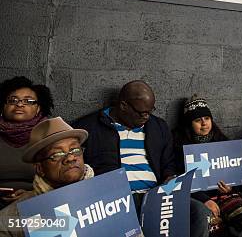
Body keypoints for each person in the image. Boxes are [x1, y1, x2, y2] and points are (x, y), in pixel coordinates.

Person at [73, 80, 209, 237]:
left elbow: (168, 164)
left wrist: (169, 178)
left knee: (198, 211)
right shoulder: (88, 128)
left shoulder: (158, 127)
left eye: (150, 111)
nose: (147, 117)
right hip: (115, 203)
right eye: (142, 112)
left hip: (154, 197)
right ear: (123, 106)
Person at [174, 95, 242, 237]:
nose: (204, 123)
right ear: (189, 124)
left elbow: (236, 174)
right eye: (198, 120)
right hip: (199, 198)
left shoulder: (222, 141)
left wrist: (231, 187)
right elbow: (180, 180)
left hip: (225, 195)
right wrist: (204, 199)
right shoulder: (180, 147)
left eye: (207, 118)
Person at [0, 118, 92, 236]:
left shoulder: (112, 193)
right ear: (40, 168)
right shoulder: (10, 223)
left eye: (74, 149)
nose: (70, 158)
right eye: (57, 154)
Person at [0, 76, 54, 209]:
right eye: (13, 100)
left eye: (28, 101)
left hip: (39, 204)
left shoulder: (50, 136)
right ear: (3, 106)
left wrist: (32, 195)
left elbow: (65, 178)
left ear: (38, 108)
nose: (19, 104)